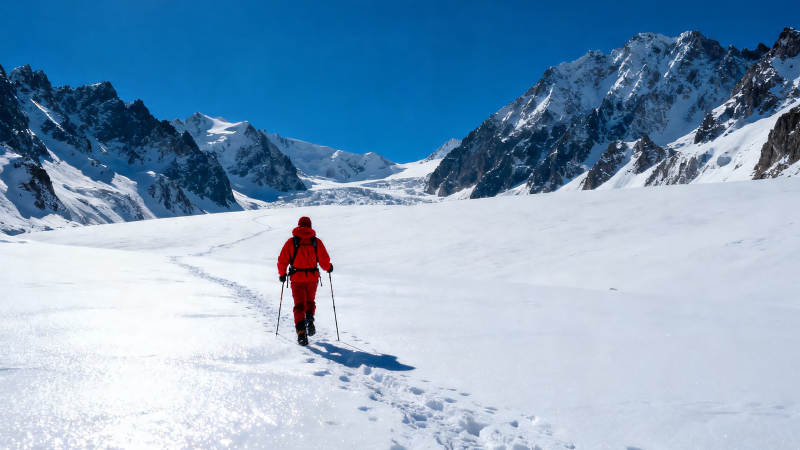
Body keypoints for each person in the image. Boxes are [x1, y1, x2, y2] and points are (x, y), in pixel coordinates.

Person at [277, 216, 333, 346]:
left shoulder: (292, 242)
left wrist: (282, 274)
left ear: (299, 225)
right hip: (312, 278)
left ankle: (301, 333)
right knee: (310, 301)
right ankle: (310, 319)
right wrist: (328, 267)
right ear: (310, 226)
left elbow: (282, 260)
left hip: (296, 279)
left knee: (299, 305)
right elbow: (324, 260)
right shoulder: (316, 242)